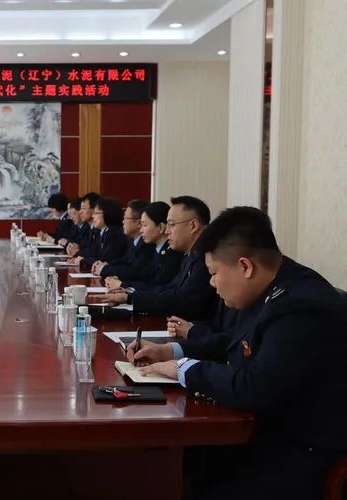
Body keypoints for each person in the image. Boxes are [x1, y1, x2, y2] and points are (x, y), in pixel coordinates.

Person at [126, 206, 347, 500]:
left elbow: (255, 387)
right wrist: (171, 350)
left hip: (304, 452)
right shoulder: (274, 284)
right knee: (165, 465)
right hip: (267, 431)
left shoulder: (300, 306)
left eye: (214, 273)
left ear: (245, 266)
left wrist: (183, 369)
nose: (211, 283)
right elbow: (236, 342)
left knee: (183, 478)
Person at [94, 196, 217, 322]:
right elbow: (169, 288)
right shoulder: (190, 254)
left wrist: (131, 297)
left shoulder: (206, 258)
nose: (167, 231)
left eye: (171, 225)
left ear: (193, 226)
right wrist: (131, 294)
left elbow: (183, 300)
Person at [101, 201, 183, 289]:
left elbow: (157, 286)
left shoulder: (172, 253)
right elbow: (145, 277)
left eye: (144, 225)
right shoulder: (158, 249)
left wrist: (122, 285)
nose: (141, 230)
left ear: (161, 227)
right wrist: (121, 281)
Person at [92, 199, 153, 277]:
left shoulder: (147, 243)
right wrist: (106, 264)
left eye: (126, 218)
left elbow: (135, 271)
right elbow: (125, 260)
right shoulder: (132, 240)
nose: (123, 222)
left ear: (139, 223)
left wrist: (104, 269)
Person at [70, 196, 127, 267]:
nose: (93, 216)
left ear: (107, 213)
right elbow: (96, 254)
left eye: (96, 213)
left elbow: (106, 259)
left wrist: (83, 260)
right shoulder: (105, 231)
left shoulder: (114, 233)